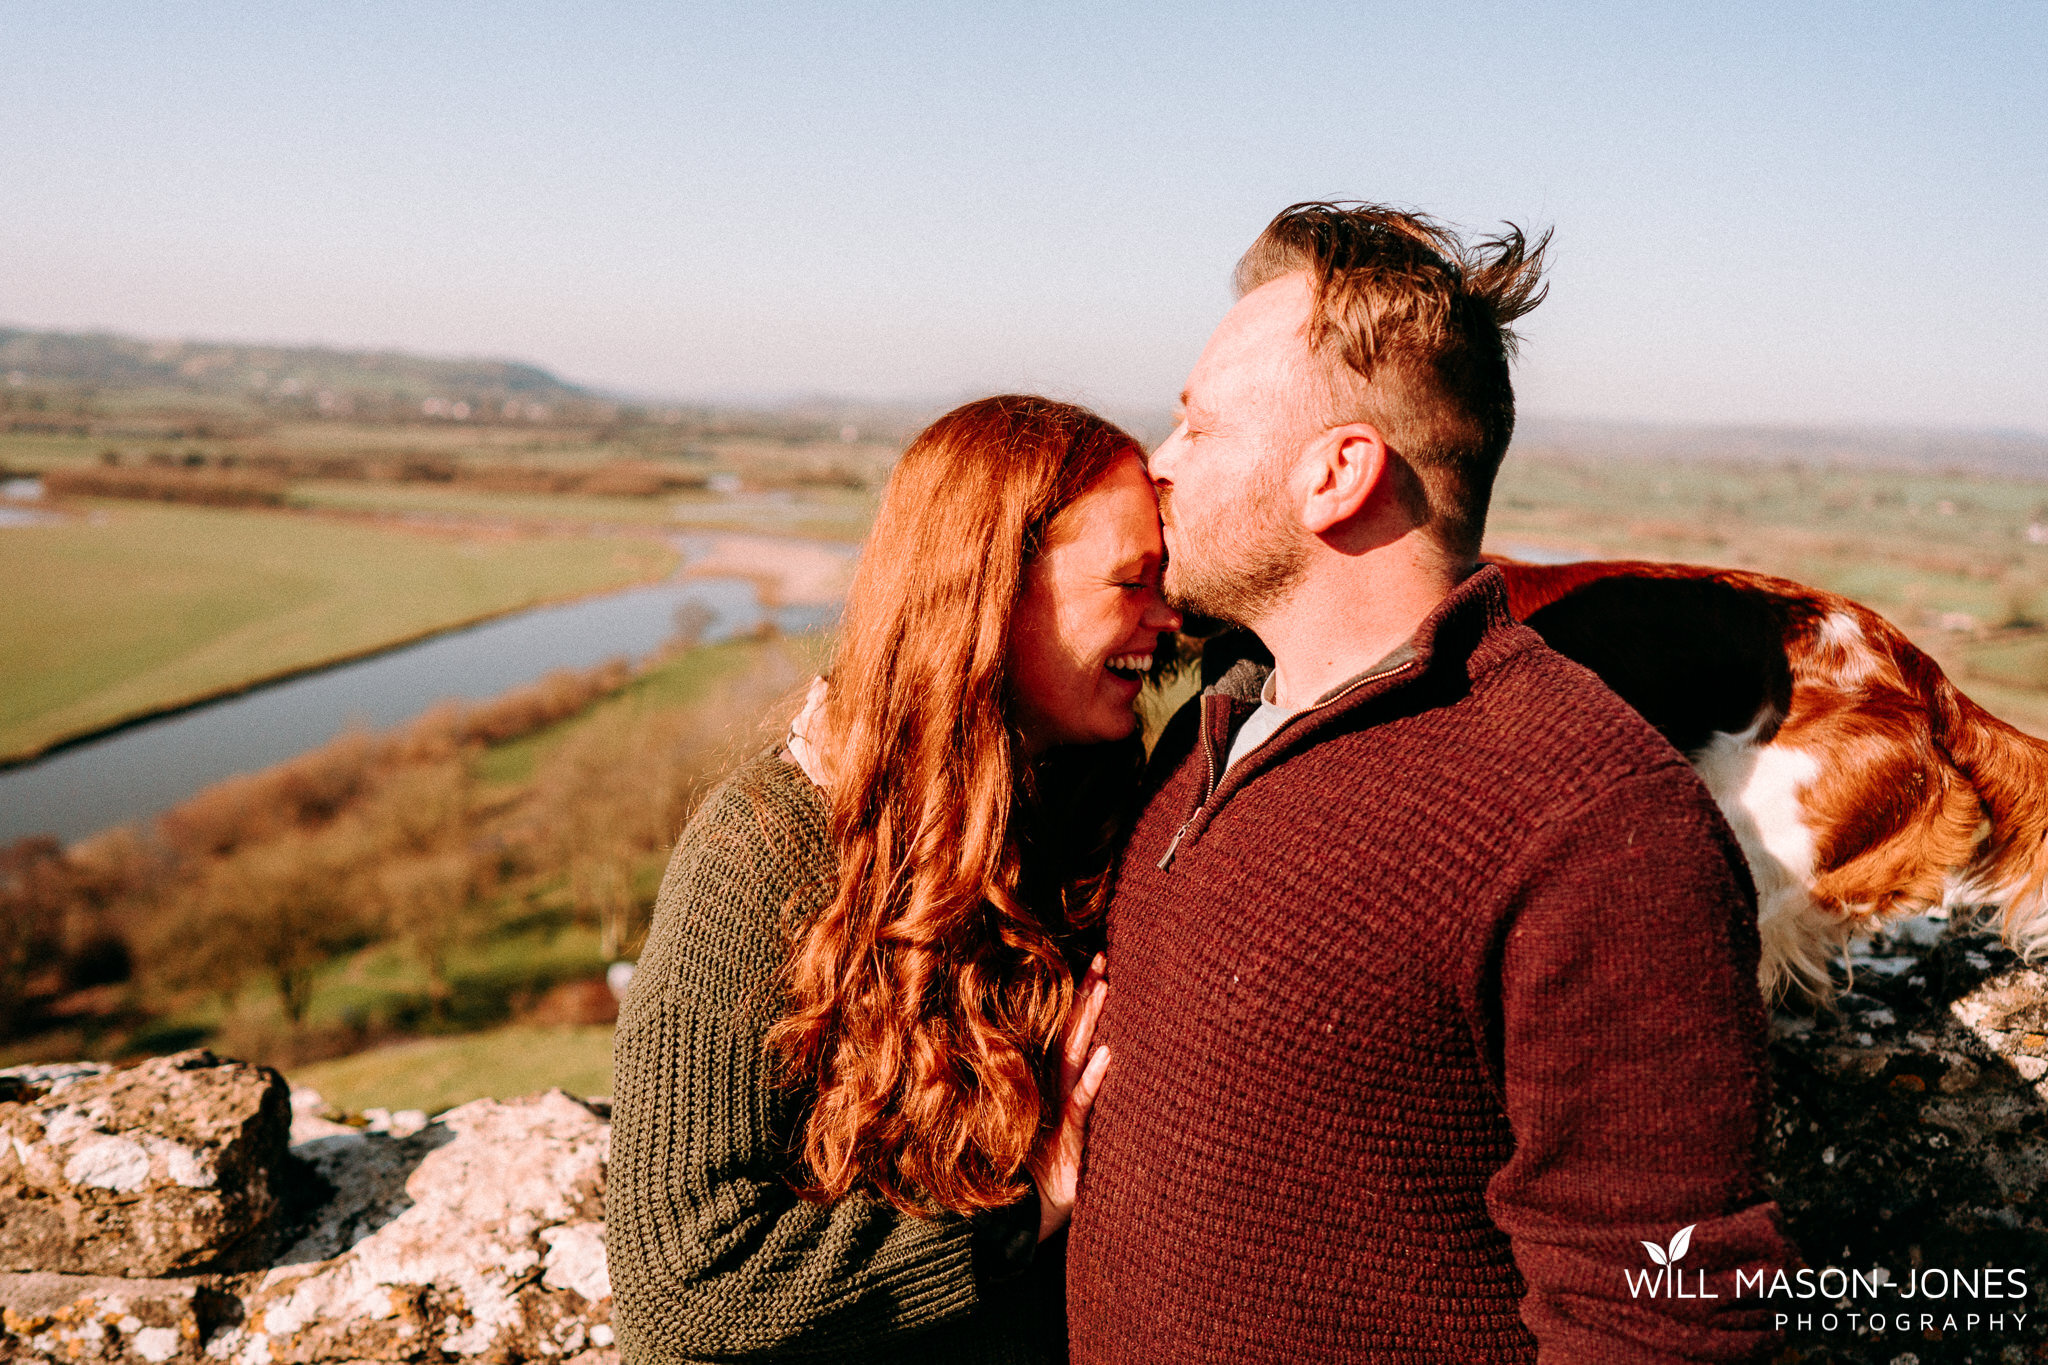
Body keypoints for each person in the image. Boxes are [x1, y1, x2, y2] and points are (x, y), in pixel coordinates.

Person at [1064, 204, 1801, 1362]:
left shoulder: (1593, 822)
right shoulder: (1207, 728)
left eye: (1196, 429)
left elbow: (1658, 1318)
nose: (1155, 466)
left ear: (1336, 475)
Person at [608, 395, 1182, 1363]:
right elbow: (685, 1287)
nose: (1165, 621)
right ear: (988, 594)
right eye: (1129, 581)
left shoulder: (1098, 805)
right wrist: (1028, 1201)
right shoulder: (769, 849)